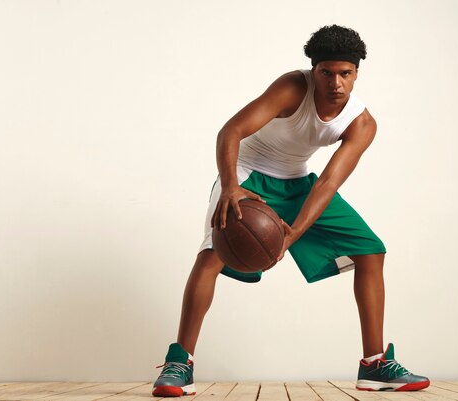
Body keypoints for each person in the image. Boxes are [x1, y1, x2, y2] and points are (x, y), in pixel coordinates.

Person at [152, 25, 429, 395]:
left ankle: (374, 364)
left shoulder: (362, 123)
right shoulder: (292, 88)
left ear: (357, 73)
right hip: (247, 176)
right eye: (326, 73)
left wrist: (293, 233)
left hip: (299, 183)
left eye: (345, 73)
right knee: (211, 256)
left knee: (371, 250)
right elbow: (230, 131)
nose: (336, 83)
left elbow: (328, 183)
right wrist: (230, 186)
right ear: (313, 71)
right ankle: (179, 362)